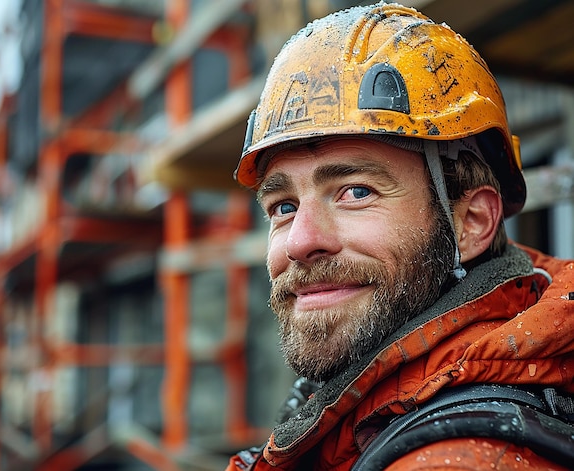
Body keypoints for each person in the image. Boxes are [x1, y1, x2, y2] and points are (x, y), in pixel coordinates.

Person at [227, 2, 574, 470]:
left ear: (471, 223)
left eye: (355, 191)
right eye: (283, 207)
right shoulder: (362, 409)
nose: (299, 241)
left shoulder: (465, 457)